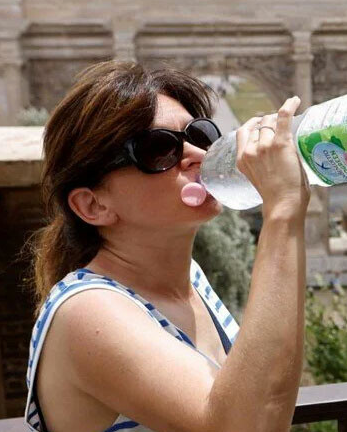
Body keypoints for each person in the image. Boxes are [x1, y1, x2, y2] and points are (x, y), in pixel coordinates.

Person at [25, 61, 310, 432]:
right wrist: (283, 210)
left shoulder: (190, 279)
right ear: (93, 205)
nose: (196, 153)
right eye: (159, 149)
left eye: (200, 134)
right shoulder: (87, 311)